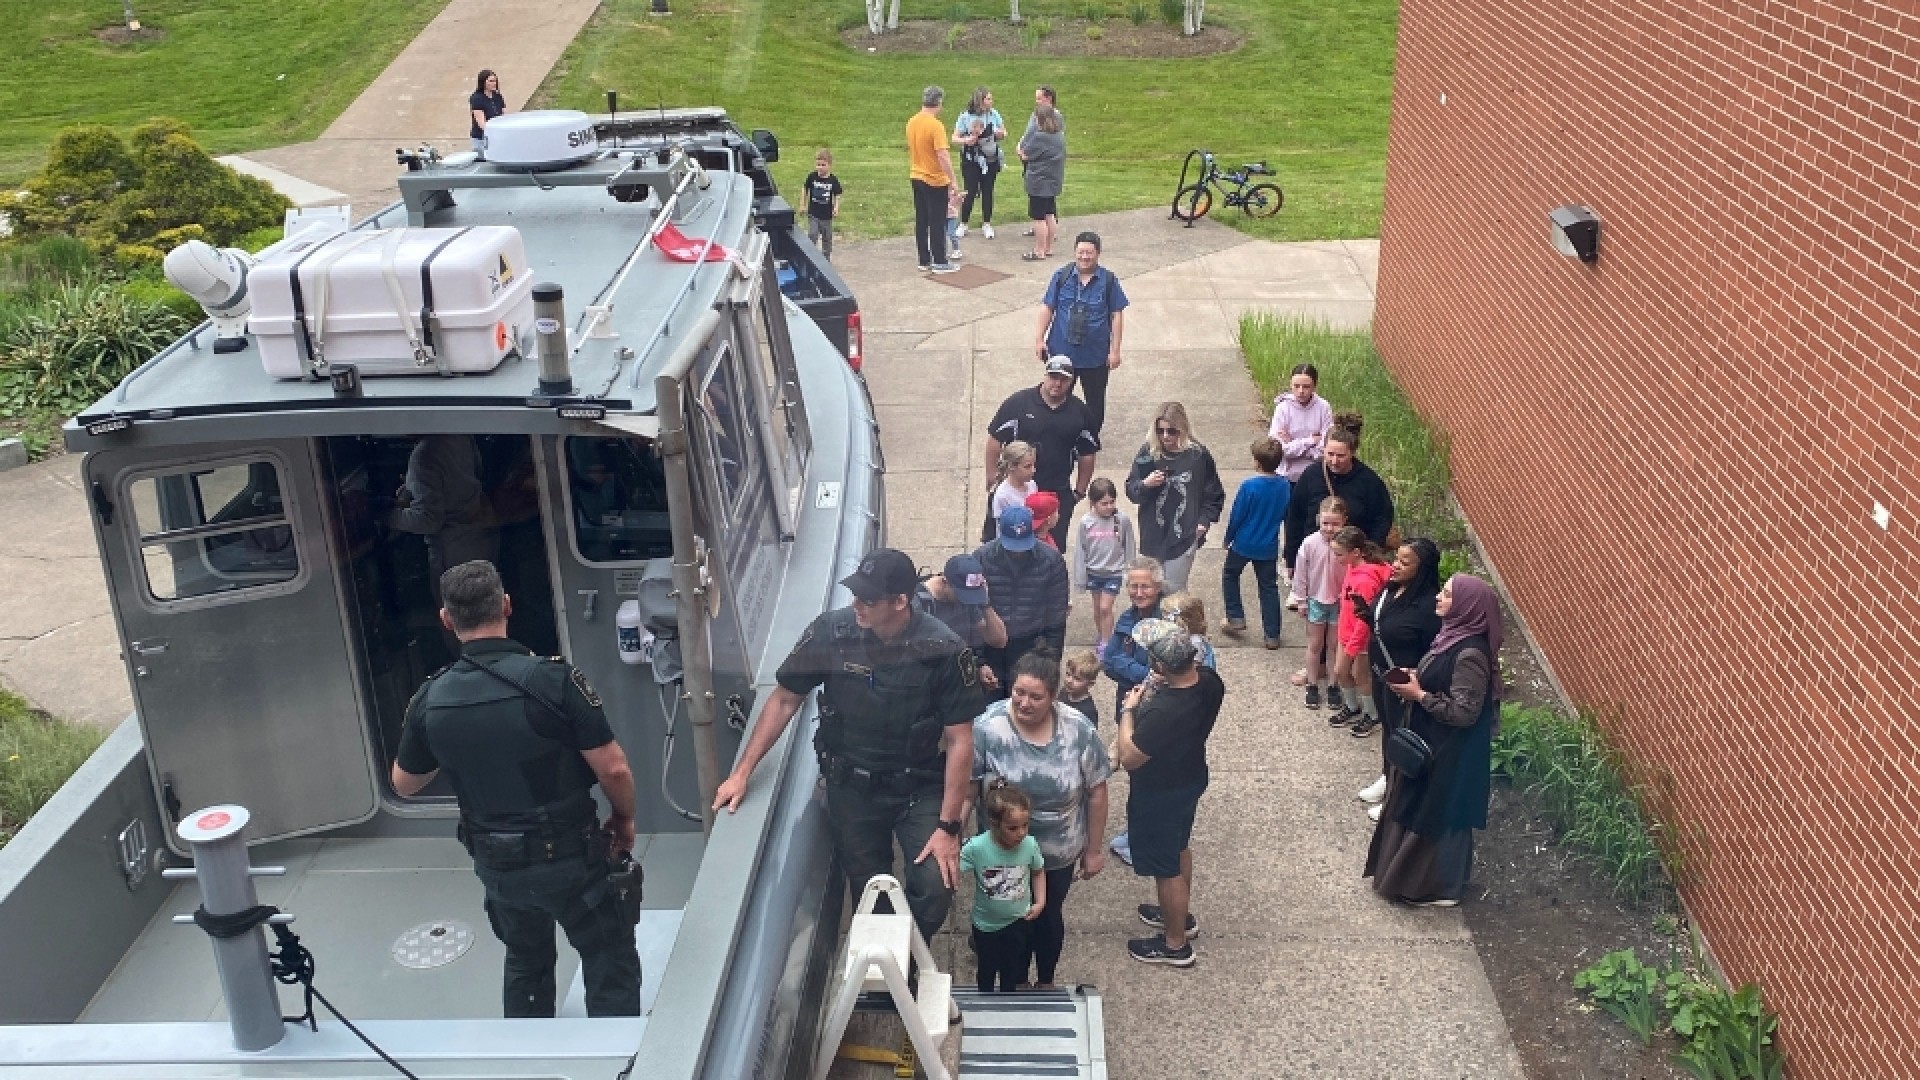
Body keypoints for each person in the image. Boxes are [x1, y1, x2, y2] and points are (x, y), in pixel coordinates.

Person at [391, 561, 641, 1017]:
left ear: (446, 620)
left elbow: (405, 784)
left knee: (526, 961)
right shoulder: (553, 681)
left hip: (499, 865)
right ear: (507, 606)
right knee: (608, 957)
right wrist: (622, 820)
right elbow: (615, 769)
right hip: (572, 858)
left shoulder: (430, 698)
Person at [713, 549, 981, 943]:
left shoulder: (944, 650)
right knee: (870, 889)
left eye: (868, 600)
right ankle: (884, 965)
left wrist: (948, 826)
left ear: (900, 602)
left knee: (935, 888)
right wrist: (741, 773)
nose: (856, 605)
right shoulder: (830, 633)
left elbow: (961, 741)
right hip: (852, 787)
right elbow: (786, 698)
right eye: (855, 594)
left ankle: (907, 951)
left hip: (918, 786)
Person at [970, 652, 1111, 989]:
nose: (1025, 703)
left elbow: (1098, 792)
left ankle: (1045, 980)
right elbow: (967, 789)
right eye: (1019, 692)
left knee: (1047, 916)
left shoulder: (1078, 729)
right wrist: (952, 836)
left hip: (1056, 850)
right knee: (1010, 921)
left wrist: (1093, 850)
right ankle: (1015, 982)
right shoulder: (987, 727)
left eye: (1036, 696)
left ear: (1053, 696)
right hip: (1001, 852)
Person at [1366, 575, 1502, 907]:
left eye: (1447, 594)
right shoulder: (1451, 637)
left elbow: (1464, 712)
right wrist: (1417, 675)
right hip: (1432, 743)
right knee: (1419, 808)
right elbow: (1443, 678)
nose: (1438, 597)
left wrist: (1419, 694)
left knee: (1439, 815)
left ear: (1467, 606)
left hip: (1451, 752)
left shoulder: (1471, 654)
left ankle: (1440, 887)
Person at [1115, 618, 1225, 967]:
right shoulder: (1210, 682)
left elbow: (1130, 757)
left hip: (1159, 793)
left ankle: (1175, 944)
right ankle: (1179, 916)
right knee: (1178, 850)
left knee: (1166, 868)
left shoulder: (1165, 710)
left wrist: (1129, 711)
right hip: (1189, 778)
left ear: (1160, 666)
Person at [1353, 539, 1445, 820]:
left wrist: (1417, 681)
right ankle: (1387, 775)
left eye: (1405, 563)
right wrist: (1370, 617)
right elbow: (1386, 624)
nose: (1395, 566)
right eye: (1396, 558)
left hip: (1403, 683)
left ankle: (1398, 796)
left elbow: (1433, 650)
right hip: (1383, 675)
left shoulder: (1429, 608)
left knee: (1403, 734)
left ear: (1422, 570)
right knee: (1389, 730)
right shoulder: (1392, 588)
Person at [985, 355, 1101, 550]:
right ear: (1045, 375)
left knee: (1050, 549)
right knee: (1001, 544)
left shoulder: (1080, 413)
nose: (1057, 383)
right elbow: (995, 439)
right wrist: (991, 476)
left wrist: (1079, 491)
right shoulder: (1018, 403)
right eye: (1053, 377)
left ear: (1071, 381)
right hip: (1016, 487)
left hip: (1055, 492)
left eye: (1063, 379)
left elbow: (1087, 453)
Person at [1033, 234, 1128, 437]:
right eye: (1081, 252)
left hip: (1094, 355)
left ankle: (1089, 439)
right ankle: (1058, 435)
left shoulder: (1108, 280)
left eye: (1089, 253)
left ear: (1098, 254)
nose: (1084, 257)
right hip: (1062, 352)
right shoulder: (1061, 276)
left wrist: (1115, 351)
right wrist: (1039, 339)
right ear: (1075, 252)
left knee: (1094, 402)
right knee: (1056, 395)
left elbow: (1116, 315)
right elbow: (1047, 307)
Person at [1125, 403, 1225, 594]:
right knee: (1149, 592)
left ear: (1182, 429)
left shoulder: (1198, 456)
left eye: (1171, 431)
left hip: (1184, 535)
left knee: (1174, 593)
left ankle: (1176, 625)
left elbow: (1213, 494)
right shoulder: (1148, 453)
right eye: (1160, 431)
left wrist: (1203, 522)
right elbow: (1132, 490)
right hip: (1153, 535)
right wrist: (1145, 484)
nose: (1165, 436)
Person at [1282, 414, 1395, 575]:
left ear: (1353, 452)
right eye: (1330, 454)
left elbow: (1382, 519)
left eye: (1341, 456)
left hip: (1351, 564)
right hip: (1315, 561)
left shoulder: (1369, 481)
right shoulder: (1311, 475)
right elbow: (1295, 517)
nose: (1334, 461)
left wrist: (1368, 555)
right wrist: (1291, 558)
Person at [962, 779, 1046, 992]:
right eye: (1013, 828)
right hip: (985, 925)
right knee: (987, 969)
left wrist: (1040, 901)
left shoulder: (1030, 845)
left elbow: (1037, 872)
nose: (1021, 833)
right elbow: (953, 868)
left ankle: (1008, 1003)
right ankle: (985, 1005)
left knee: (1012, 969)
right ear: (994, 822)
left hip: (1019, 921)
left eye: (1025, 825)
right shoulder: (976, 847)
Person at [974, 507, 1071, 689]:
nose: (1017, 552)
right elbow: (972, 614)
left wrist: (1050, 665)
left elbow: (1056, 618)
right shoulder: (981, 559)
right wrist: (979, 662)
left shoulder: (1052, 561)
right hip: (991, 650)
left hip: (1031, 650)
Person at [389, 434, 499, 587]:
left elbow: (429, 520)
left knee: (458, 607)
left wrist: (387, 514)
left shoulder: (422, 457)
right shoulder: (459, 435)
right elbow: (476, 472)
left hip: (453, 551)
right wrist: (412, 488)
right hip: (482, 532)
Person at [1220, 437, 1292, 649]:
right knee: (1268, 588)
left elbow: (1237, 515)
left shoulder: (1249, 486)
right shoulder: (1285, 486)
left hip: (1244, 543)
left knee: (1230, 575)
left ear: (1257, 462)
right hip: (1268, 546)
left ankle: (1236, 616)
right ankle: (1272, 635)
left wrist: (1228, 538)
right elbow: (1287, 515)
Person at [1328, 527, 1394, 736]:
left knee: (1361, 676)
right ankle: (1352, 706)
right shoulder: (1352, 567)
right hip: (1346, 631)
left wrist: (1353, 648)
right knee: (1340, 672)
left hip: (1360, 639)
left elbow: (1364, 619)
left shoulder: (1366, 580)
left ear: (1355, 552)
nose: (1336, 558)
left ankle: (1372, 714)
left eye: (1339, 554)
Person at [917, 553, 1009, 694]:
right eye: (962, 595)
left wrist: (985, 603)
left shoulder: (967, 601)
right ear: (945, 581)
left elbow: (999, 641)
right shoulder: (918, 604)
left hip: (958, 685)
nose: (966, 600)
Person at [1289, 497, 1350, 710]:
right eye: (1325, 523)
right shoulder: (1310, 543)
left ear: (1344, 522)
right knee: (1315, 645)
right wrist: (1301, 600)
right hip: (1315, 600)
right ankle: (1313, 685)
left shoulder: (1348, 547)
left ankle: (1334, 685)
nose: (1329, 528)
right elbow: (1301, 574)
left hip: (1339, 603)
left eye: (1335, 523)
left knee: (1334, 646)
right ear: (1318, 520)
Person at [1070, 477, 1135, 653]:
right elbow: (1081, 551)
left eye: (1111, 502)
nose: (1109, 507)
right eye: (1103, 503)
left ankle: (1107, 642)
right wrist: (1080, 578)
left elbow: (1129, 547)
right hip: (1094, 571)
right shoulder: (1086, 522)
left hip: (1113, 572)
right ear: (1093, 503)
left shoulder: (1122, 521)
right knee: (1098, 608)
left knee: (1106, 607)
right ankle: (1102, 635)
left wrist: (1130, 571)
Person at [907, 85, 960, 274]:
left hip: (916, 174)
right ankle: (940, 260)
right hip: (934, 179)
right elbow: (943, 155)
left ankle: (924, 259)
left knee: (922, 219)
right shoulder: (935, 125)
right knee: (937, 220)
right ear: (939, 102)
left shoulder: (912, 121)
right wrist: (952, 180)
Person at [952, 87, 1006, 239]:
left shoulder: (993, 114)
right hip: (971, 160)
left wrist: (999, 134)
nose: (991, 101)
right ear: (980, 101)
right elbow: (954, 138)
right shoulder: (965, 116)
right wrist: (966, 140)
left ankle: (987, 223)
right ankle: (963, 223)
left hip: (990, 159)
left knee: (988, 190)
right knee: (970, 190)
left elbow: (1004, 131)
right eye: (988, 98)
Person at [1268, 363, 1333, 483]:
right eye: (1296, 386)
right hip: (1286, 476)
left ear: (1314, 386)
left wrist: (1292, 443)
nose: (1301, 391)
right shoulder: (1282, 408)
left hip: (1315, 474)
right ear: (1290, 385)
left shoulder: (1323, 407)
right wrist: (1311, 441)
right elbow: (1278, 449)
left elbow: (1326, 449)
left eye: (1306, 386)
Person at [1018, 105, 1065, 262]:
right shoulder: (1059, 135)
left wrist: (1019, 146)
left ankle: (1039, 250)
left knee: (1038, 218)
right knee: (1050, 214)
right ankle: (1049, 248)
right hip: (1053, 180)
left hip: (1039, 181)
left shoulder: (1039, 136)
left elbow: (1025, 154)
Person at [985, 439, 1039, 542]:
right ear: (1011, 466)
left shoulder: (1032, 485)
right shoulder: (1003, 496)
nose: (1033, 470)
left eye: (1033, 465)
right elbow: (1001, 530)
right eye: (1027, 466)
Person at [804, 149, 844, 260]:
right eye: (818, 165)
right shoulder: (812, 177)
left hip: (826, 216)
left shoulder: (832, 180)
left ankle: (826, 258)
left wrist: (836, 207)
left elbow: (837, 194)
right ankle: (809, 257)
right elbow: (805, 189)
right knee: (812, 235)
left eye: (823, 165)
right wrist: (802, 204)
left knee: (827, 238)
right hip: (813, 214)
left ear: (829, 165)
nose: (820, 167)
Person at [1059, 648, 1102, 727]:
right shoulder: (1064, 692)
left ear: (1090, 684)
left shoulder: (1088, 711)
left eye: (1077, 679)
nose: (1069, 681)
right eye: (1068, 674)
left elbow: (1089, 736)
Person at [469, 70, 506, 155]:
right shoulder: (477, 98)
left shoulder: (498, 96)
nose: (494, 83)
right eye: (491, 81)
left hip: (497, 136)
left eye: (495, 81)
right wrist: (495, 133)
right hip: (482, 138)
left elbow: (503, 116)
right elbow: (482, 124)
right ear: (483, 82)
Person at [946, 185, 966, 261]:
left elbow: (959, 201)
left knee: (951, 233)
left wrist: (961, 196)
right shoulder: (940, 193)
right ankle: (944, 251)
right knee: (942, 234)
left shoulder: (953, 193)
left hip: (952, 216)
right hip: (942, 216)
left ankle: (956, 250)